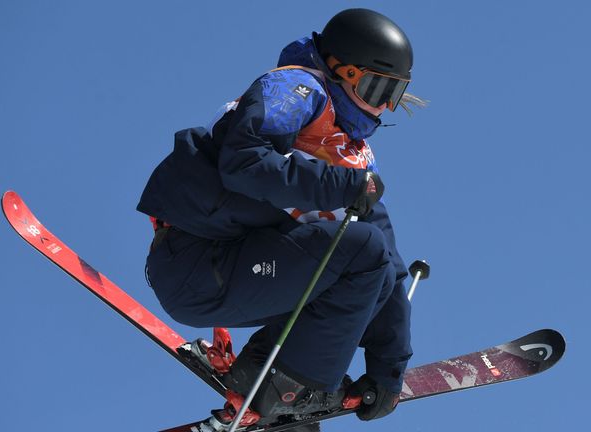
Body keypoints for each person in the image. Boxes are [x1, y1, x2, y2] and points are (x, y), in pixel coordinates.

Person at [137, 8, 424, 427]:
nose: (382, 106)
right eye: (376, 87)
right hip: (198, 263)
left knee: (373, 270)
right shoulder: (297, 89)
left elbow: (391, 273)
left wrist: (388, 371)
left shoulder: (352, 157)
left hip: (258, 270)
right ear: (342, 71)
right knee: (363, 251)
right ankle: (289, 384)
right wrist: (341, 187)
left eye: (393, 95)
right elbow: (245, 161)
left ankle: (277, 379)